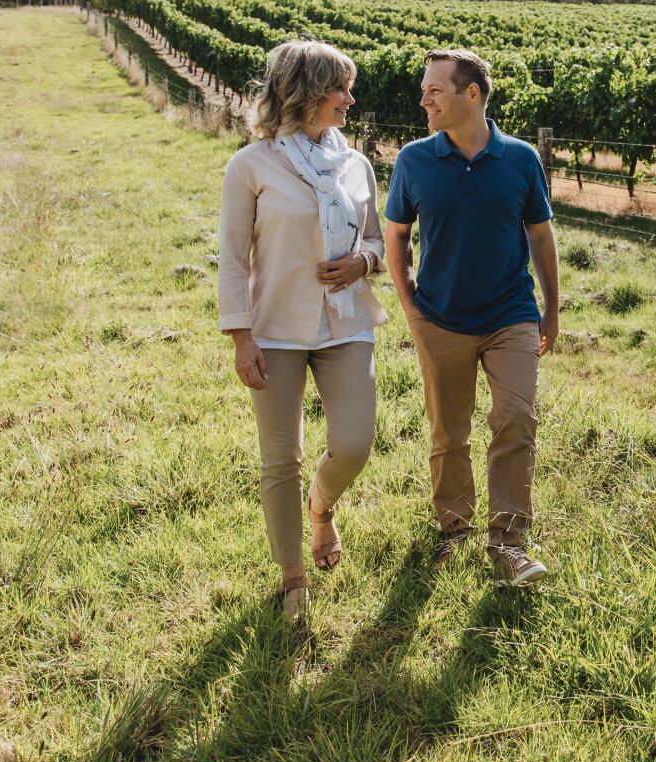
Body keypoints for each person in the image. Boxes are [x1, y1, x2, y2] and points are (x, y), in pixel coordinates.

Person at [217, 40, 389, 621]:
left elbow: (376, 240)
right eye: (339, 87)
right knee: (278, 458)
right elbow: (233, 259)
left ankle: (322, 505)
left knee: (354, 443)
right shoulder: (251, 166)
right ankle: (293, 577)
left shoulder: (357, 165)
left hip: (346, 324)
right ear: (306, 91)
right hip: (275, 329)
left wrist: (363, 262)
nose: (349, 98)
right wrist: (241, 337)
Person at [383, 49, 560, 587]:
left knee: (515, 418)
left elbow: (540, 235)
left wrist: (550, 308)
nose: (424, 99)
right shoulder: (413, 160)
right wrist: (410, 306)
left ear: (472, 94)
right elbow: (396, 235)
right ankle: (455, 528)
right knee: (448, 433)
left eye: (435, 90)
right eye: (424, 90)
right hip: (439, 318)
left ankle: (508, 543)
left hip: (511, 314)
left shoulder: (521, 158)